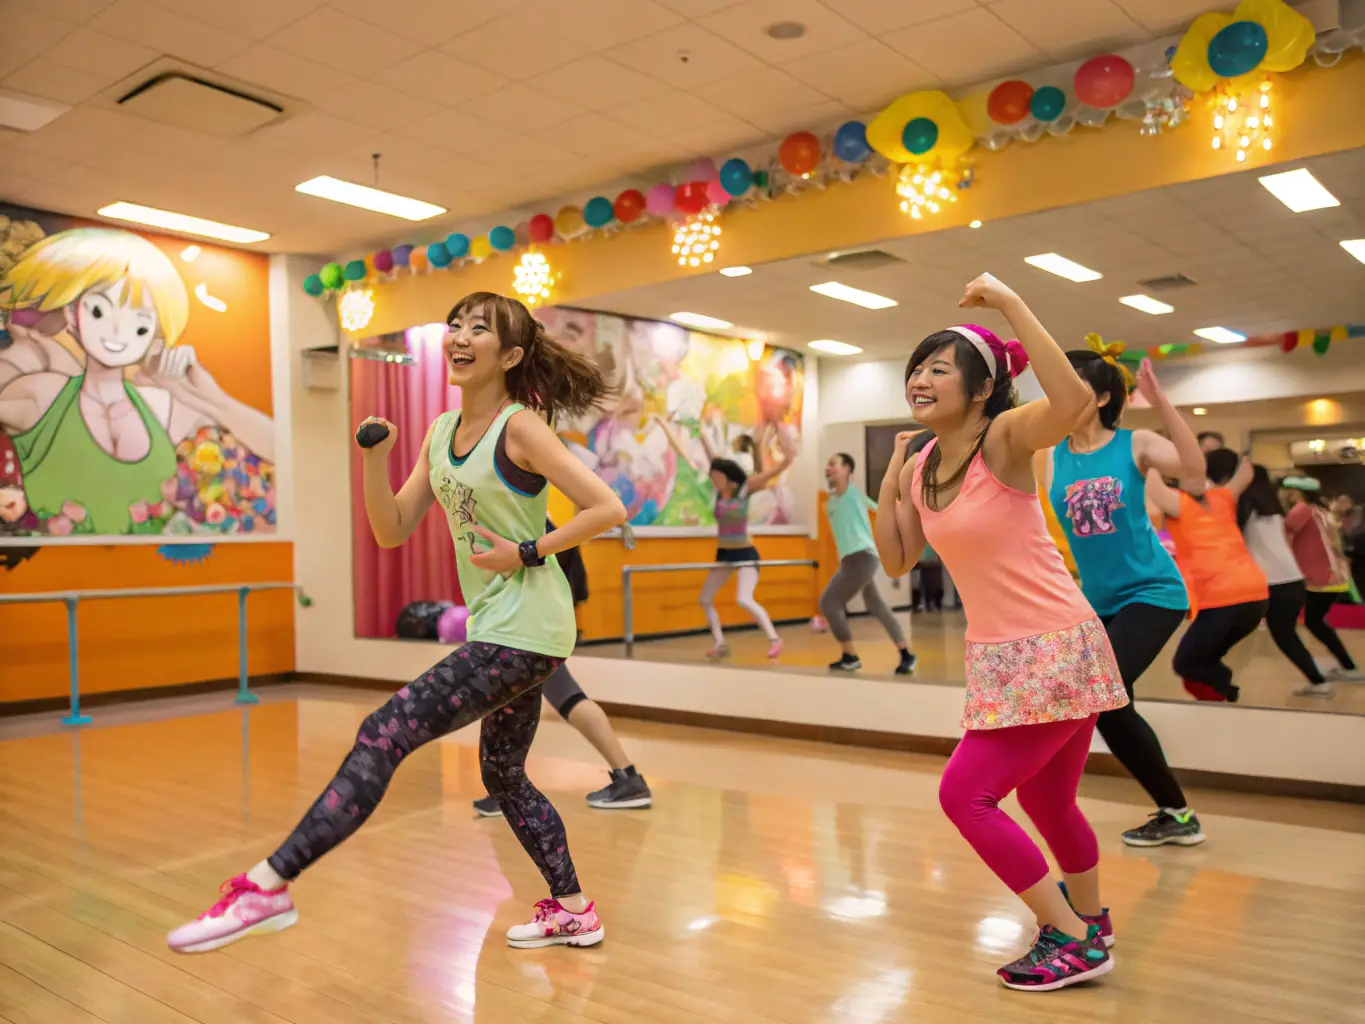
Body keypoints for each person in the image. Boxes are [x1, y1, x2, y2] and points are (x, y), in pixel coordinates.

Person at [166, 292, 627, 955]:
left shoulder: (520, 427)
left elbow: (605, 507)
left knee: (384, 731)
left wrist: (523, 551)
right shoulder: (441, 432)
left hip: (528, 623)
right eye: (455, 325)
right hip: (501, 625)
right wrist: (374, 460)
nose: (459, 338)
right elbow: (390, 530)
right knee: (503, 775)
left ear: (513, 355)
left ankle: (269, 885)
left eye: (479, 329)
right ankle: (574, 910)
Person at [874, 274, 1127, 992]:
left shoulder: (1005, 437)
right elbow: (896, 557)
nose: (919, 378)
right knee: (1048, 803)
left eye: (937, 367)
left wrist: (1012, 303)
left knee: (965, 796)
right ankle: (1092, 924)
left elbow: (1074, 403)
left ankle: (1070, 936)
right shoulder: (924, 462)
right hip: (1003, 654)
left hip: (1052, 643)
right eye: (915, 368)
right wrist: (893, 474)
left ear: (982, 387)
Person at [1040, 340, 1207, 848]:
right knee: (1112, 706)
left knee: (1104, 695)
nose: (1062, 395)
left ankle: (1175, 814)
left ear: (1105, 397)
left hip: (1154, 592)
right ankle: (1176, 814)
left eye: (1076, 387)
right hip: (1099, 601)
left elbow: (1195, 473)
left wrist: (1161, 402)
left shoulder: (1134, 444)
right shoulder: (1050, 457)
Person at [656, 414, 795, 660]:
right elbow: (713, 459)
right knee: (705, 598)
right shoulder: (720, 494)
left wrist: (783, 455)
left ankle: (775, 639)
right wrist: (701, 432)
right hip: (725, 554)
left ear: (726, 477)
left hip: (745, 554)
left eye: (715, 476)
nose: (712, 480)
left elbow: (772, 471)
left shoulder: (744, 489)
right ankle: (719, 642)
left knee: (744, 598)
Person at [1147, 450, 1268, 702]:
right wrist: (1244, 456)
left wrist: (1147, 454)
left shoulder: (1179, 503)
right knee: (1207, 657)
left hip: (1222, 599)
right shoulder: (1222, 498)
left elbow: (1150, 480)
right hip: (1256, 597)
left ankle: (1224, 691)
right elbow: (1244, 475)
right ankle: (1221, 694)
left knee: (1185, 664)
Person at [1238, 465, 1337, 697]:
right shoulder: (1273, 510)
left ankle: (1319, 681)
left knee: (1284, 635)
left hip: (1275, 583)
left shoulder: (1246, 509)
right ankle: (1318, 680)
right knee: (1285, 634)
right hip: (1291, 580)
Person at [820, 452, 916, 673]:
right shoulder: (831, 502)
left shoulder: (853, 494)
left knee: (829, 603)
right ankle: (906, 654)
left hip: (861, 557)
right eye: (827, 465)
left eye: (833, 464)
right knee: (876, 605)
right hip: (850, 561)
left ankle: (850, 655)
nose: (828, 468)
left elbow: (881, 508)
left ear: (846, 470)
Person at [1282, 477, 1360, 681]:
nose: (1286, 494)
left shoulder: (1302, 510)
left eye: (1290, 490)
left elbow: (1284, 533)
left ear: (1298, 492)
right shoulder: (1321, 511)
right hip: (1333, 576)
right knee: (1315, 621)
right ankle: (1347, 665)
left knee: (1313, 622)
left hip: (1320, 579)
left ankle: (1348, 666)